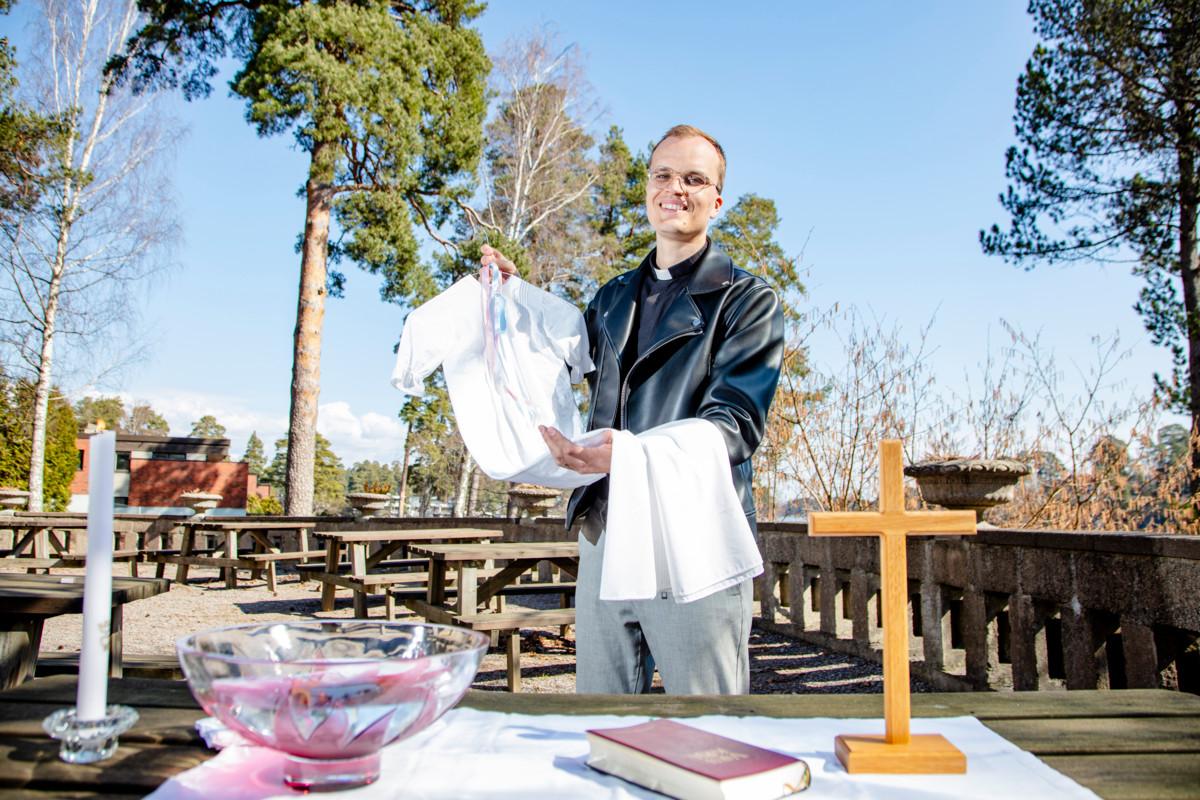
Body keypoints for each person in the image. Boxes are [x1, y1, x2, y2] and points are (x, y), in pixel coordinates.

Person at [481, 124, 785, 694]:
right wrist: (512, 301)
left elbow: (736, 425)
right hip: (604, 527)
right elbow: (555, 361)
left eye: (695, 179)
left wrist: (636, 454)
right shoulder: (612, 297)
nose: (676, 188)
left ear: (716, 201)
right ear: (648, 189)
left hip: (693, 537)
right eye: (664, 175)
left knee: (708, 727)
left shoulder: (748, 301)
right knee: (601, 715)